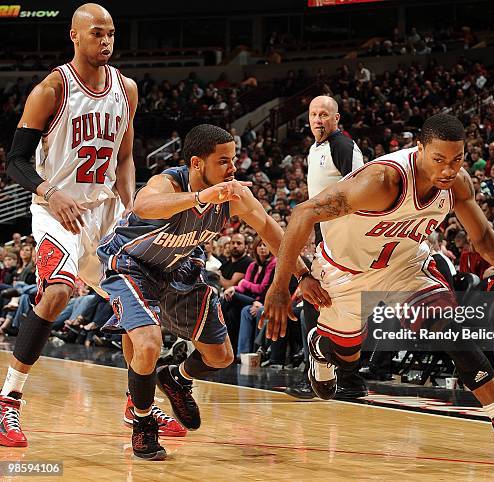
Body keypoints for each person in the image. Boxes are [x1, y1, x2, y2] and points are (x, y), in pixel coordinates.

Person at [264, 114, 494, 473]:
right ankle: (321, 346)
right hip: (345, 274)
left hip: (405, 265)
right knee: (348, 359)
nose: (448, 169)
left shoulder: (457, 183)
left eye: (456, 159)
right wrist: (280, 286)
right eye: (439, 159)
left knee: (448, 328)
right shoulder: (382, 181)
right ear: (420, 150)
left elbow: (483, 236)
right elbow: (303, 214)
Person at [0, 4, 183, 449]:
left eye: (112, 33)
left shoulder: (128, 89)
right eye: (97, 33)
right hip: (57, 209)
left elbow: (124, 157)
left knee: (134, 301)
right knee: (59, 291)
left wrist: (129, 203)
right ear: (74, 36)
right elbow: (16, 161)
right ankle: (8, 399)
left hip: (104, 212)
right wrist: (48, 191)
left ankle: (134, 403)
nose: (106, 41)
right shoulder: (52, 88)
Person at [98, 124, 327, 460]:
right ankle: (143, 422)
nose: (233, 168)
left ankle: (177, 378)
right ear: (196, 164)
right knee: (147, 343)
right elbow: (143, 206)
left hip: (180, 269)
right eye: (223, 161)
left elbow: (269, 229)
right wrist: (199, 198)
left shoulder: (235, 196)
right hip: (132, 265)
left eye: (234, 159)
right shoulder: (169, 182)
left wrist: (302, 274)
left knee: (221, 357)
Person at [286, 95, 366, 400]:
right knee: (327, 302)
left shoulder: (342, 146)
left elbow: (361, 190)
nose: (318, 120)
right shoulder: (316, 148)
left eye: (324, 115)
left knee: (319, 301)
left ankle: (326, 375)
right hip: (329, 238)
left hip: (347, 240)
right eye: (313, 114)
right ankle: (346, 378)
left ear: (337, 119)